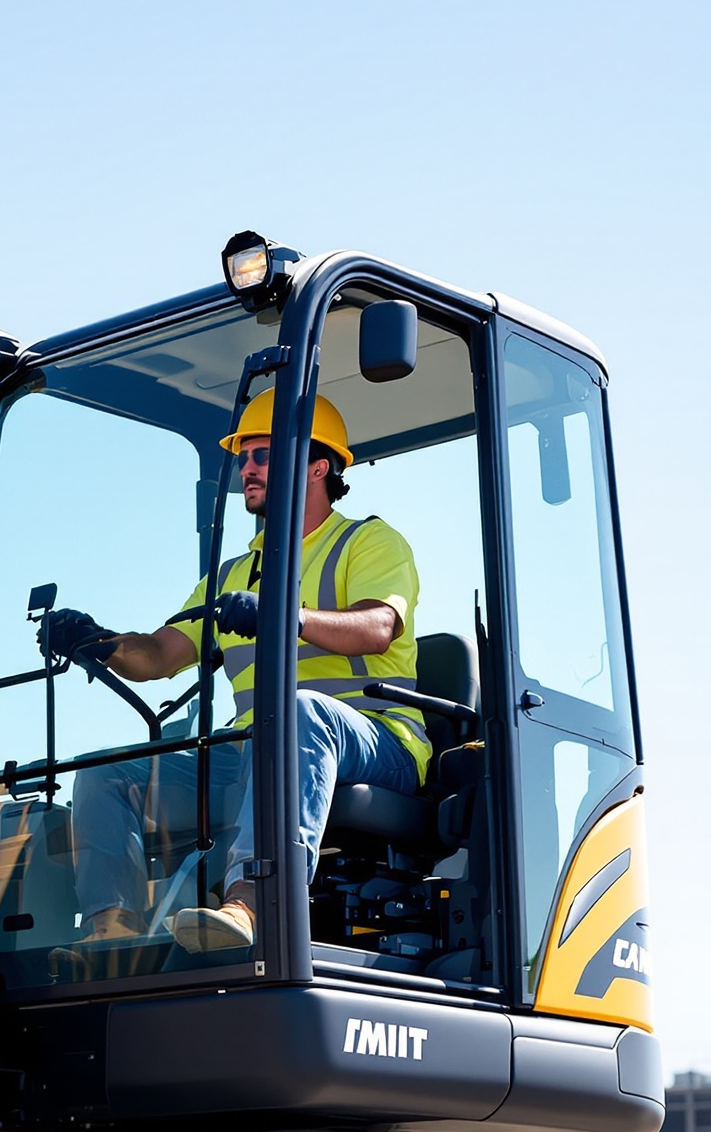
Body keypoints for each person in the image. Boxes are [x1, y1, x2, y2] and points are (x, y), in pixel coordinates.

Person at [39, 390, 428, 953]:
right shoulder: (233, 576)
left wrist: (282, 615)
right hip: (264, 746)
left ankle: (251, 901)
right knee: (104, 773)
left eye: (263, 455)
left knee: (295, 713)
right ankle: (112, 932)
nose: (246, 468)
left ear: (317, 465)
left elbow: (377, 627)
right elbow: (157, 655)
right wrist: (96, 641)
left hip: (376, 740)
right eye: (243, 457)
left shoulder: (365, 541)